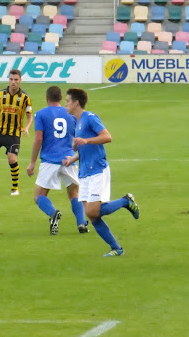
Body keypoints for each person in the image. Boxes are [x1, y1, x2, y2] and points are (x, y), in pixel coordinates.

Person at [62, 88, 139, 257]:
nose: (65, 103)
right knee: (93, 215)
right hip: (84, 172)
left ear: (76, 102)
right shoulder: (78, 121)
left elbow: (107, 137)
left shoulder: (90, 118)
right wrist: (72, 159)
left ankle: (126, 202)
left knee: (91, 212)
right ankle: (117, 249)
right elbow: (84, 148)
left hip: (97, 169)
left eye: (67, 100)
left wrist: (86, 140)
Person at [26, 86, 87, 235]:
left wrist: (32, 162)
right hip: (69, 158)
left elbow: (39, 138)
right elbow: (78, 139)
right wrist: (73, 151)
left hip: (49, 161)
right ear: (61, 99)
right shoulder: (71, 114)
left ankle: (53, 214)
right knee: (74, 194)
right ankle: (81, 223)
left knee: (39, 196)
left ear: (47, 98)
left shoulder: (40, 114)